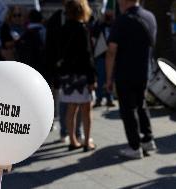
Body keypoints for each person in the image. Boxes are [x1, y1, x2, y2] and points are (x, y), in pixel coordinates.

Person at [106, 0, 157, 159]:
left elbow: (111, 51)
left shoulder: (121, 20)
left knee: (128, 109)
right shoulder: (150, 17)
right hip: (144, 70)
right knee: (141, 104)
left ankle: (135, 147)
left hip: (125, 72)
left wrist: (109, 78)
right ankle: (148, 140)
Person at [58, 0, 96, 152]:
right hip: (81, 74)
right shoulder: (82, 29)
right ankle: (87, 141)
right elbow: (87, 56)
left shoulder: (62, 29)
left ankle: (73, 140)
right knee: (86, 109)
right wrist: (92, 78)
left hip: (67, 74)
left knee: (71, 109)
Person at [45, 0, 83, 143]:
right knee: (63, 100)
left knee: (78, 101)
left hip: (78, 69)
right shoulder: (55, 19)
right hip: (60, 68)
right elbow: (50, 46)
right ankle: (64, 132)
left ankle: (78, 132)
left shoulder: (81, 19)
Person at [92, 10, 116, 108]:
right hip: (101, 56)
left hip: (112, 56)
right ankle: (99, 99)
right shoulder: (99, 26)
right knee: (101, 78)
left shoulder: (114, 26)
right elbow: (93, 35)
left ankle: (109, 98)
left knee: (110, 78)